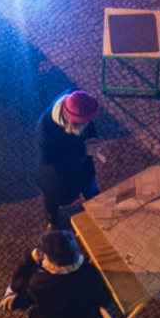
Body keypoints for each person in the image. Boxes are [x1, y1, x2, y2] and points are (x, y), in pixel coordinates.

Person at [34, 89, 100, 228]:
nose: (88, 124)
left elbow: (90, 123)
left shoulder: (78, 99)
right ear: (72, 122)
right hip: (57, 175)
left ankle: (97, 207)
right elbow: (48, 159)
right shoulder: (46, 128)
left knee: (91, 189)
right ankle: (52, 216)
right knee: (53, 198)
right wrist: (82, 151)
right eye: (84, 123)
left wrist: (93, 139)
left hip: (83, 166)